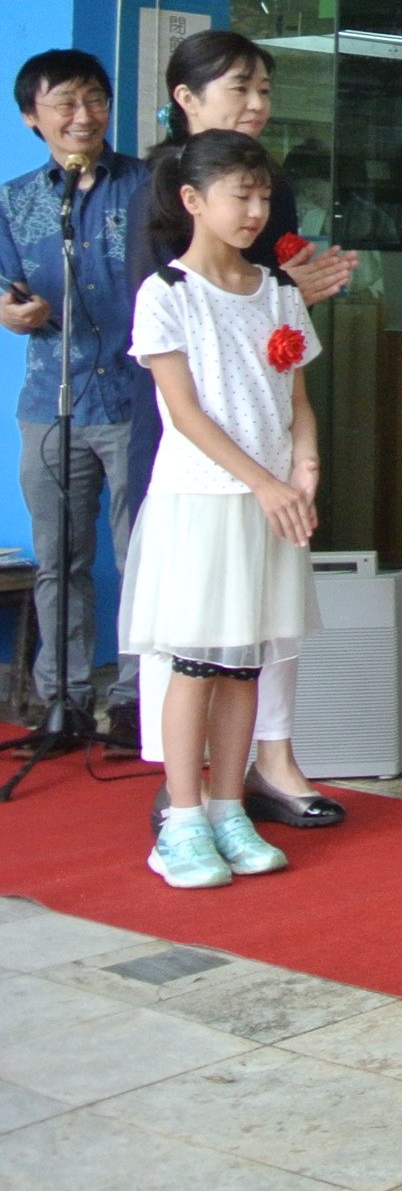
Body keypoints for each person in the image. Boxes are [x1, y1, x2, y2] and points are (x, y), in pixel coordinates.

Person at [129, 30, 359, 826]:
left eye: (264, 88)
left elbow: (278, 286)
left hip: (266, 419)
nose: (257, 103)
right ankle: (181, 785)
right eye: (238, 88)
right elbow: (164, 327)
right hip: (190, 430)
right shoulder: (157, 186)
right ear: (185, 98)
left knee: (263, 620)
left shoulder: (274, 189)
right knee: (192, 625)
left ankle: (268, 760)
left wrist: (294, 291)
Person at [119, 131, 319, 889]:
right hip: (204, 499)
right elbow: (188, 414)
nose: (256, 210)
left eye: (263, 195)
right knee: (196, 663)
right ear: (193, 200)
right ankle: (182, 817)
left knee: (245, 664)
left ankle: (232, 807)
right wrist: (262, 483)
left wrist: (303, 466)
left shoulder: (279, 290)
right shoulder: (166, 294)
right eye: (242, 195)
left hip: (267, 502)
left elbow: (296, 397)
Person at [0, 49, 152, 747]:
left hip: (137, 397)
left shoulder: (149, 189)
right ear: (33, 118)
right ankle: (59, 701)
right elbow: (7, 292)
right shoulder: (14, 200)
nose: (83, 115)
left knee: (142, 555)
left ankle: (135, 700)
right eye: (64, 103)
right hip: (49, 401)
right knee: (58, 560)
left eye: (93, 99)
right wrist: (13, 312)